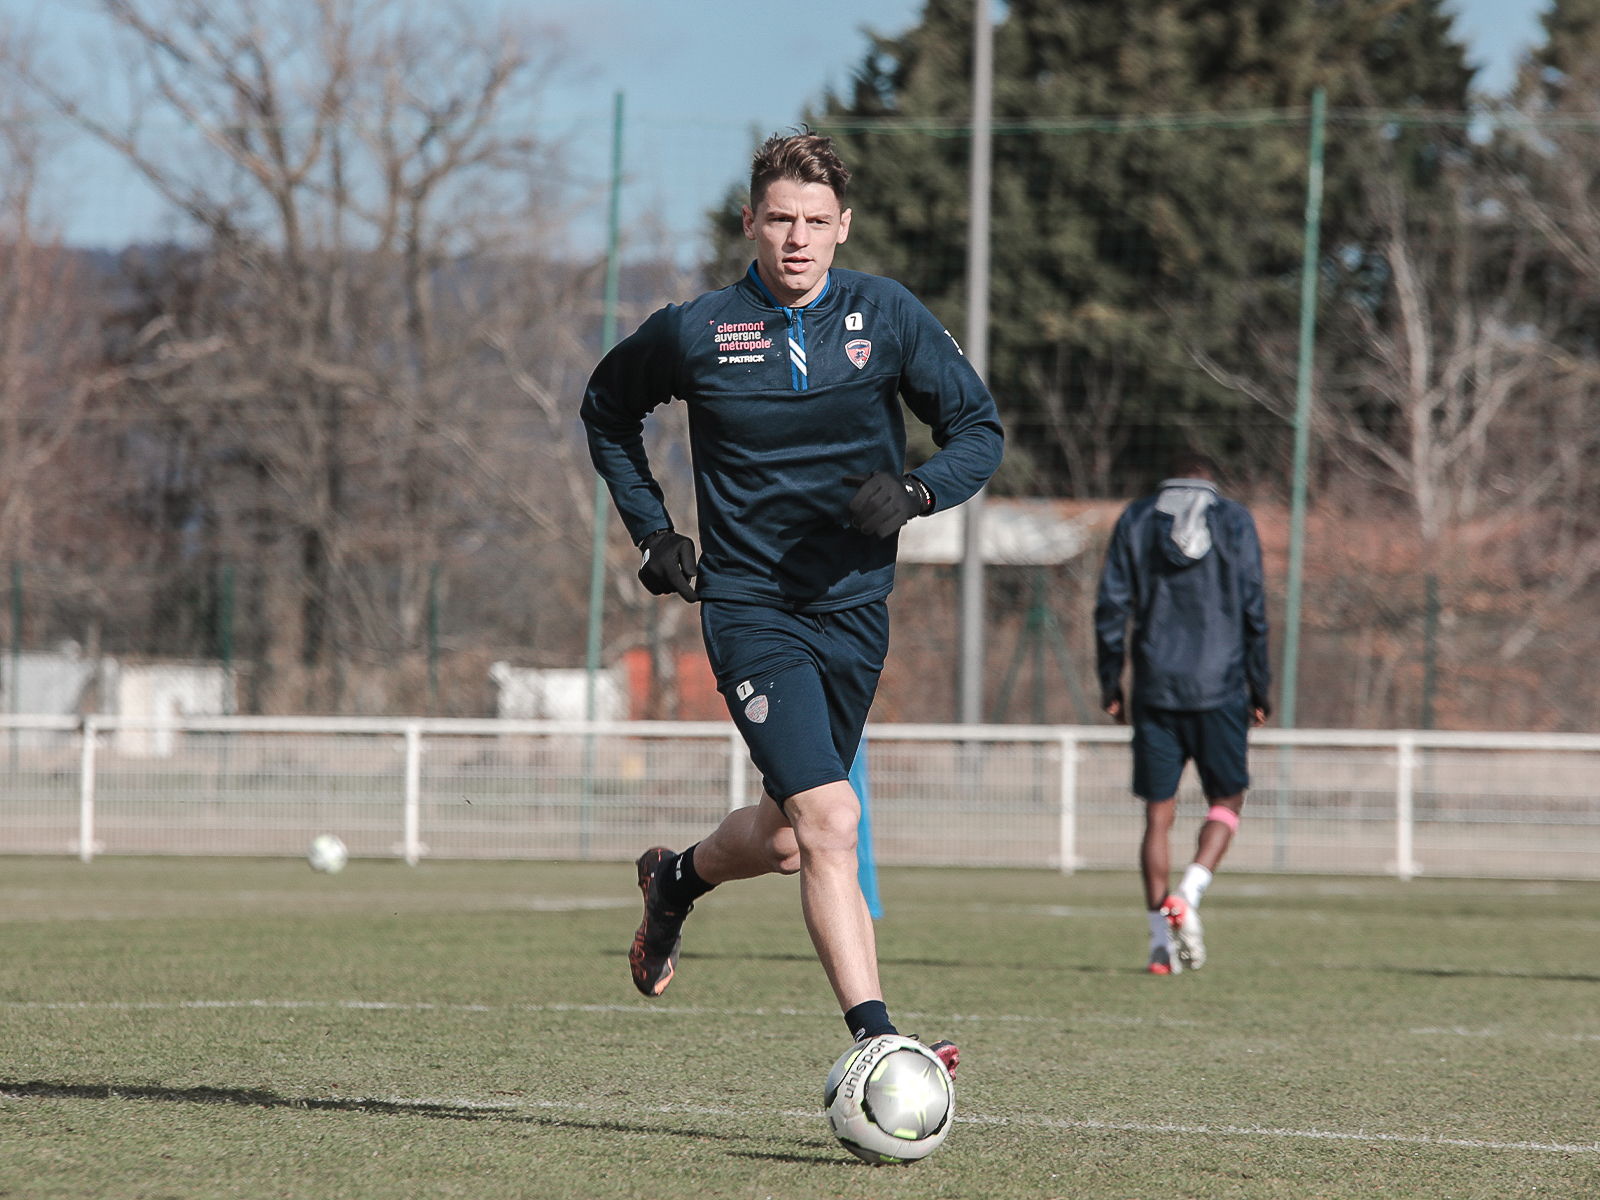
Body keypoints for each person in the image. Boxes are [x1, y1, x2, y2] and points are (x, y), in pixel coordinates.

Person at [581, 132, 1003, 1068]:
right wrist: (652, 532)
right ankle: (878, 1044)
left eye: (816, 222)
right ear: (751, 223)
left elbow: (979, 429)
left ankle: (675, 880)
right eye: (780, 219)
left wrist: (920, 491)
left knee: (785, 840)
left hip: (855, 607)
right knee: (832, 819)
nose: (798, 239)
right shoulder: (698, 329)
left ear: (843, 228)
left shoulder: (886, 316)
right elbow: (607, 410)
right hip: (749, 605)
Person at [1093, 452, 1270, 974]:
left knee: (1157, 815)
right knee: (1228, 798)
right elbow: (1254, 606)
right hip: (1222, 687)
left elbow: (1110, 607)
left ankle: (1158, 947)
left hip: (1155, 687)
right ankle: (1189, 893)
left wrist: (1112, 682)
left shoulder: (1137, 518)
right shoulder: (1235, 520)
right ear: (1211, 479)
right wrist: (1261, 687)